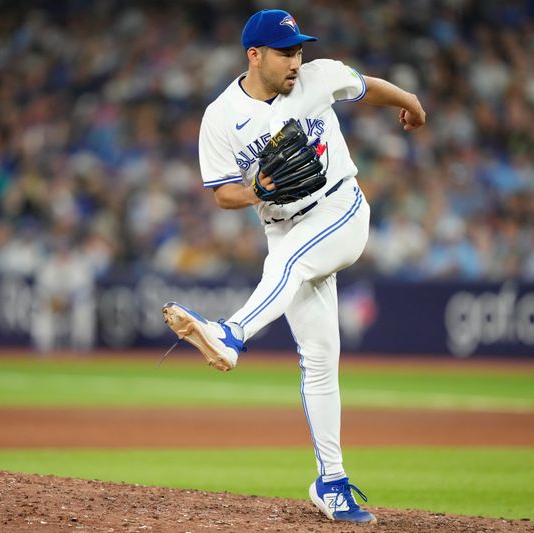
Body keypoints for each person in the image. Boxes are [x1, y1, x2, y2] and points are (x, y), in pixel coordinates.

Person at [162, 9, 426, 524]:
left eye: (299, 49)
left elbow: (362, 86)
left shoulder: (316, 76)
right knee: (320, 357)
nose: (295, 60)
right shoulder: (220, 117)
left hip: (340, 208)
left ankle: (232, 334)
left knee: (289, 263)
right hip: (282, 226)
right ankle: (333, 482)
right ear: (253, 55)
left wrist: (411, 102)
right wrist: (257, 190)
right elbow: (221, 195)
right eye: (285, 52)